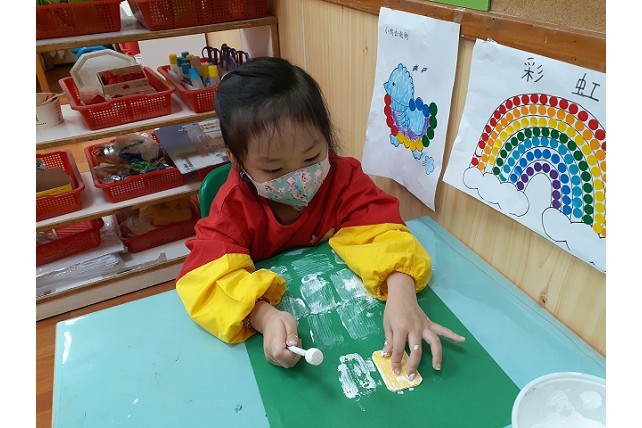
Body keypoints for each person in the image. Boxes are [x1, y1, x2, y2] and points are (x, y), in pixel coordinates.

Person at [176, 57, 464, 379]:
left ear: (326, 136)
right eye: (274, 169)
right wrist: (263, 316)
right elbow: (206, 278)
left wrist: (402, 293)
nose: (298, 177)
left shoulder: (343, 178)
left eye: (312, 156)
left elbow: (381, 232)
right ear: (236, 159)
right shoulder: (233, 207)